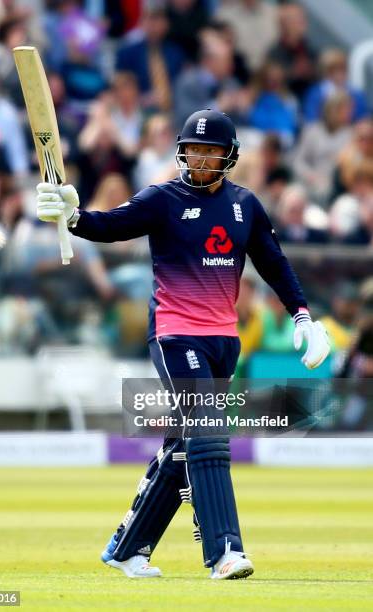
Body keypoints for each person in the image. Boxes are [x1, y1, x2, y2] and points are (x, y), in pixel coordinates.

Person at [36, 109, 330, 580]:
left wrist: (301, 315)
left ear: (228, 156)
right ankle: (224, 552)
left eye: (210, 151)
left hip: (222, 340)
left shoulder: (245, 205)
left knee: (181, 446)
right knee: (208, 429)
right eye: (193, 149)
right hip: (175, 334)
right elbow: (109, 225)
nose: (199, 158)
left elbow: (274, 262)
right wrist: (71, 215)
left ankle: (127, 548)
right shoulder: (164, 198)